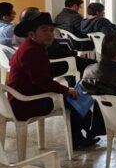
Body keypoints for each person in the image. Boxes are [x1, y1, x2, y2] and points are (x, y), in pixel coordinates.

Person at [7, 12, 98, 148]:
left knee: (73, 96)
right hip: (26, 103)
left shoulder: (30, 47)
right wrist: (66, 90)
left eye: (51, 30)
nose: (49, 34)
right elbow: (43, 81)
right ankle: (84, 134)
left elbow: (39, 75)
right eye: (44, 30)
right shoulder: (33, 51)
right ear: (32, 34)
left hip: (21, 98)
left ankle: (84, 134)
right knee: (74, 99)